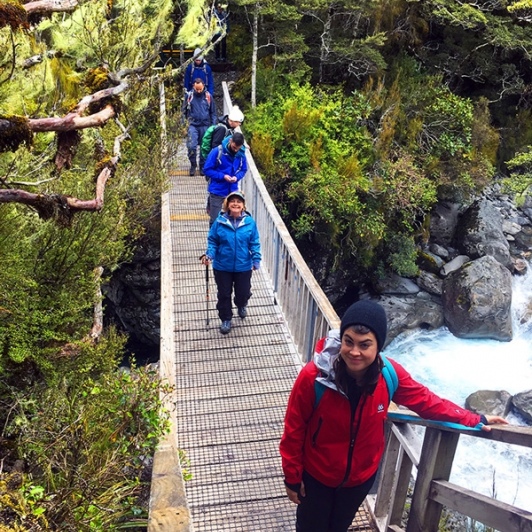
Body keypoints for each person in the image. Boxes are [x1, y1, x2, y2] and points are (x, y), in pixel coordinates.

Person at [279, 300, 509, 532]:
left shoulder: (389, 375)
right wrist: (292, 476)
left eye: (364, 345)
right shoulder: (313, 377)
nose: (354, 352)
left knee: (338, 526)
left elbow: (428, 402)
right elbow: (294, 428)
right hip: (316, 476)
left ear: (378, 346)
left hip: (359, 479)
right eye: (348, 342)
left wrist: (474, 419)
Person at [200, 191, 261, 335]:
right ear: (227, 204)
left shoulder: (250, 223)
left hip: (243, 265)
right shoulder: (219, 222)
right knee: (224, 294)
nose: (235, 204)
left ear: (243, 206)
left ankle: (241, 304)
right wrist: (210, 254)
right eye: (232, 201)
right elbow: (213, 241)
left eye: (238, 202)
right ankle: (226, 319)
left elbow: (254, 242)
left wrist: (256, 258)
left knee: (243, 292)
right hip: (222, 266)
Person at [203, 132, 247, 226]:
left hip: (232, 191)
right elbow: (206, 169)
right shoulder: (217, 151)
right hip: (217, 190)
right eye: (234, 147)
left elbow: (243, 169)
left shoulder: (241, 154)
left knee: (233, 218)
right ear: (231, 141)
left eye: (238, 148)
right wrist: (223, 176)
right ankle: (213, 239)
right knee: (215, 220)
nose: (236, 150)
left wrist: (237, 177)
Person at [182, 78, 217, 176]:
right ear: (193, 86)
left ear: (203, 87)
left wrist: (213, 127)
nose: (198, 91)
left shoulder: (208, 96)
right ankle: (193, 165)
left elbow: (213, 113)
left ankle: (202, 166)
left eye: (200, 89)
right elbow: (183, 112)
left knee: (204, 147)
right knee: (191, 146)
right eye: (197, 89)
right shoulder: (189, 96)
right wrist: (183, 126)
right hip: (192, 125)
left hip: (205, 125)